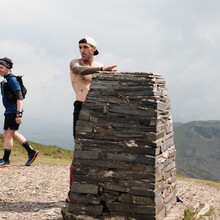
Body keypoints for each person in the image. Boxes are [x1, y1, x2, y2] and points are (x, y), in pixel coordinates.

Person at [66, 37, 117, 201]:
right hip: (80, 106)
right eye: (80, 47)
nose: (82, 50)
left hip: (96, 108)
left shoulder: (100, 67)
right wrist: (103, 69)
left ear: (94, 48)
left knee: (99, 149)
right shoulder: (75, 63)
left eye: (86, 47)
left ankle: (97, 189)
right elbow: (80, 71)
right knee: (79, 148)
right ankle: (72, 190)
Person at [0, 57, 39, 167]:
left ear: (8, 68)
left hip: (13, 111)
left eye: (1, 67)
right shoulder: (6, 80)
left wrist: (19, 114)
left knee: (8, 134)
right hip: (10, 111)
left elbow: (19, 97)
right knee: (12, 133)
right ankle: (31, 152)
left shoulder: (12, 79)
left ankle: (6, 160)